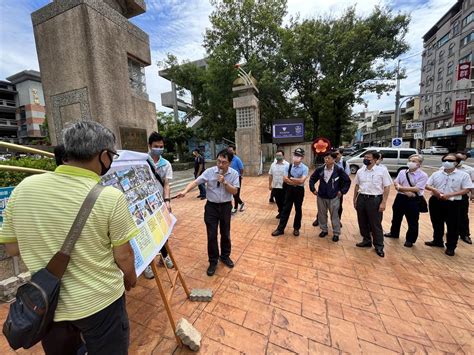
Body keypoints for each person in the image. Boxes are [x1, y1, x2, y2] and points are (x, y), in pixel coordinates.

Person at [0, 121, 137, 354]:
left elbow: (12, 248)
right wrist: (131, 279)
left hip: (47, 304)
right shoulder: (110, 198)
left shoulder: (24, 187)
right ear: (103, 156)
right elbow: (123, 255)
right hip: (101, 303)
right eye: (111, 155)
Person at [177, 149, 239, 276]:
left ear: (230, 163)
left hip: (226, 206)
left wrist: (225, 182)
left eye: (224, 162)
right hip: (211, 207)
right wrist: (185, 191)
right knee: (211, 235)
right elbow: (196, 182)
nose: (220, 165)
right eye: (219, 161)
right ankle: (213, 261)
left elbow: (234, 192)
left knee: (225, 233)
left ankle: (225, 256)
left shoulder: (234, 174)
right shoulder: (210, 172)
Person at [425, 153, 472, 256]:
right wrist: (434, 190)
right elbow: (427, 185)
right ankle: (437, 240)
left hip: (454, 203)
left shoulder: (463, 175)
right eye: (445, 160)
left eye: (450, 161)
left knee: (453, 225)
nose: (447, 162)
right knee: (436, 222)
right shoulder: (436, 174)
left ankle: (451, 246)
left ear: (456, 163)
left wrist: (451, 194)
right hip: (436, 201)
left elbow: (467, 189)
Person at [144, 132, 174, 279]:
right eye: (156, 146)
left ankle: (165, 256)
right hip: (145, 205)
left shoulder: (166, 164)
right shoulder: (142, 162)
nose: (159, 149)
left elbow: (167, 184)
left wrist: (167, 201)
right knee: (148, 235)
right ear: (150, 146)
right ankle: (148, 265)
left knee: (164, 232)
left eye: (161, 147)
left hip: (161, 203)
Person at [384, 154, 428, 247]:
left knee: (412, 220)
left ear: (419, 164)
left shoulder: (423, 175)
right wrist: (403, 190)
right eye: (410, 160)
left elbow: (417, 189)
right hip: (400, 198)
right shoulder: (402, 172)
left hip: (413, 200)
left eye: (414, 161)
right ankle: (394, 233)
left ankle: (410, 239)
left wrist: (401, 188)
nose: (411, 163)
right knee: (396, 217)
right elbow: (396, 182)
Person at [353, 151, 392, 257]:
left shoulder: (382, 171)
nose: (365, 159)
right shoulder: (361, 171)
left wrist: (383, 202)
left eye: (368, 157)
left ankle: (379, 246)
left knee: (375, 224)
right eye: (364, 157)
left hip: (375, 199)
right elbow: (357, 185)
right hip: (362, 198)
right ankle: (366, 240)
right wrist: (355, 199)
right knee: (362, 221)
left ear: (375, 159)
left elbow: (387, 187)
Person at [309, 152, 351, 242]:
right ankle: (324, 230)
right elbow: (312, 179)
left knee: (334, 215)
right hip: (321, 196)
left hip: (334, 197)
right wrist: (313, 189)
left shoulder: (339, 170)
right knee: (322, 214)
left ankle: (336, 233)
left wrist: (342, 191)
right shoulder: (320, 169)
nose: (326, 160)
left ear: (334, 160)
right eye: (325, 158)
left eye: (328, 158)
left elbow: (347, 181)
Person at [272, 148, 309, 237]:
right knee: (285, 209)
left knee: (298, 209)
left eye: (299, 155)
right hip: (289, 190)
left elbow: (302, 181)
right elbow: (285, 179)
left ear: (302, 157)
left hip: (299, 191)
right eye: (295, 155)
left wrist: (291, 179)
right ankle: (280, 229)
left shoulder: (305, 168)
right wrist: (296, 180)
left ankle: (296, 228)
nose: (296, 157)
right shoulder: (288, 166)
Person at [455, 151, 474, 244]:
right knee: (448, 215)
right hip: (448, 195)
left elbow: (472, 183)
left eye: (462, 159)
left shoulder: (469, 170)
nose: (459, 161)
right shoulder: (445, 168)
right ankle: (452, 231)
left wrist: (472, 194)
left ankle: (465, 234)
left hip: (462, 195)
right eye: (458, 158)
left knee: (463, 215)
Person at [268, 149, 289, 219]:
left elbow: (290, 176)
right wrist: (270, 184)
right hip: (276, 186)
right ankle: (280, 212)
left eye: (280, 155)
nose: (278, 156)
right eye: (277, 155)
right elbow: (270, 175)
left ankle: (283, 214)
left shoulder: (287, 165)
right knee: (278, 201)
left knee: (284, 201)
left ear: (283, 156)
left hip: (284, 187)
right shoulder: (273, 165)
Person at [227, 144, 245, 213]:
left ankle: (235, 208)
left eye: (231, 150)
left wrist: (240, 175)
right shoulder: (228, 159)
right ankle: (241, 203)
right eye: (229, 150)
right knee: (231, 192)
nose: (230, 152)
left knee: (236, 193)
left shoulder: (237, 159)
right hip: (229, 178)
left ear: (234, 151)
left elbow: (241, 169)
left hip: (237, 178)